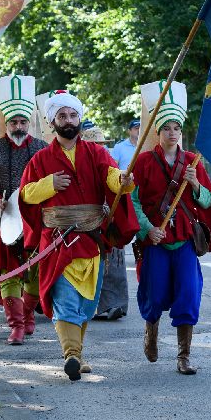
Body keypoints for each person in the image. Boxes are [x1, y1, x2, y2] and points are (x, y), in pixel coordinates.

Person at [20, 91, 139, 380]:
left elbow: (110, 176)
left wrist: (122, 180)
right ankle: (71, 354)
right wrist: (49, 184)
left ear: (79, 118)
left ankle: (78, 352)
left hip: (90, 240)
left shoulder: (97, 152)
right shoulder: (41, 159)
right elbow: (25, 194)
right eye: (62, 116)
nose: (68, 120)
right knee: (64, 299)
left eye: (73, 115)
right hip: (57, 241)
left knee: (87, 301)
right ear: (53, 122)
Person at [130, 80, 211, 375]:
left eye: (177, 128)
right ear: (158, 131)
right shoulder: (142, 162)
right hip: (156, 239)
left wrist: (195, 185)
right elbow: (132, 202)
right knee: (154, 293)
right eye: (167, 128)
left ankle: (184, 356)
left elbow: (209, 201)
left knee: (188, 293)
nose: (172, 133)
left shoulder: (193, 162)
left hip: (183, 239)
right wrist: (146, 230)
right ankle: (151, 333)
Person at [0, 75, 47, 345]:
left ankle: (28, 314)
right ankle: (16, 325)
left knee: (36, 276)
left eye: (23, 122)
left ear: (29, 123)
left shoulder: (43, 149)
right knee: (8, 273)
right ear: (6, 122)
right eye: (13, 122)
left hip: (36, 221)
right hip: (5, 218)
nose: (18, 127)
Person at [80, 124, 130, 322]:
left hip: (109, 219)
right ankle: (94, 306)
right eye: (96, 144)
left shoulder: (110, 163)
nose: (100, 146)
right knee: (93, 267)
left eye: (102, 143)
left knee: (115, 264)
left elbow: (118, 186)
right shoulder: (81, 164)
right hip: (89, 222)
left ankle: (115, 304)